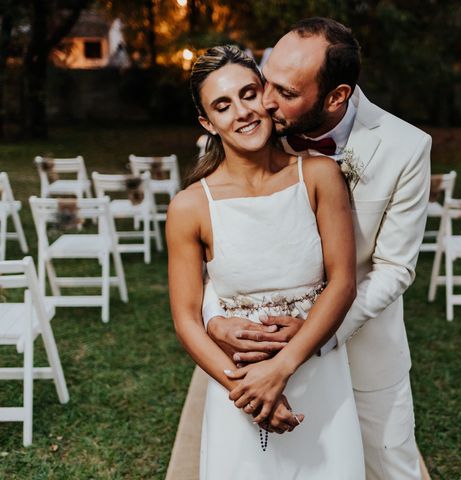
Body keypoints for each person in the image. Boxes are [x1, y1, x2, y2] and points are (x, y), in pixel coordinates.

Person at [202, 18, 432, 480]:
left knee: (391, 467)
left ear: (336, 97)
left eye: (285, 92)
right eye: (266, 80)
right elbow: (222, 249)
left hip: (364, 350)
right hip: (266, 354)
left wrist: (317, 330)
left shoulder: (406, 148)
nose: (265, 101)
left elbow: (394, 268)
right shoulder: (256, 130)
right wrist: (215, 317)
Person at [167, 45, 365, 479]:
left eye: (249, 93)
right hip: (240, 386)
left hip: (318, 373)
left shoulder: (318, 175)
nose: (242, 112)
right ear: (208, 123)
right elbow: (185, 319)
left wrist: (283, 367)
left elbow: (343, 283)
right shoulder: (189, 207)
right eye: (222, 105)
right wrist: (247, 389)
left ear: (266, 96)